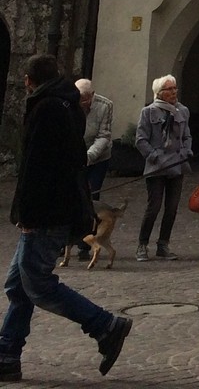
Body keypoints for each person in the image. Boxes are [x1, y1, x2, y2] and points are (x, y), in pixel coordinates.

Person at [0, 54, 132, 381]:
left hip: (46, 211)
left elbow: (38, 168)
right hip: (56, 206)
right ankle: (7, 354)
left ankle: (105, 325)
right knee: (19, 285)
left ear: (29, 81)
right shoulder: (66, 105)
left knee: (39, 285)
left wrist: (28, 213)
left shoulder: (48, 108)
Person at [135, 73, 193, 261]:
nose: (174, 92)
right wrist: (155, 156)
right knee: (154, 206)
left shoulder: (182, 111)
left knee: (172, 207)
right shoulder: (149, 112)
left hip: (176, 166)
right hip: (157, 167)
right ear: (160, 93)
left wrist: (185, 152)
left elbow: (187, 136)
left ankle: (163, 244)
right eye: (169, 89)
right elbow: (141, 139)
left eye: (175, 88)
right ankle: (142, 244)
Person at [75, 79, 113, 198]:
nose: (82, 103)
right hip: (77, 157)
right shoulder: (70, 102)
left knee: (93, 193)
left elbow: (103, 135)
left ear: (92, 94)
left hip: (99, 158)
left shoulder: (105, 105)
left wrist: (89, 156)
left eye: (85, 99)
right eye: (79, 99)